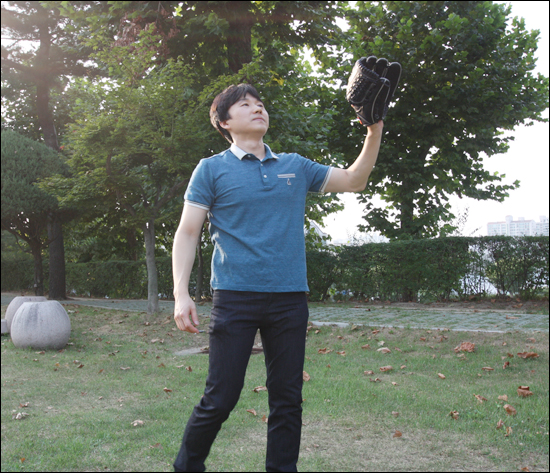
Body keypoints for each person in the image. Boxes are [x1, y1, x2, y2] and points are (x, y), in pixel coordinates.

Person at [172, 83, 383, 472]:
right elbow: (187, 232)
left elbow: (355, 180)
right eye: (245, 104)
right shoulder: (211, 169)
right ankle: (187, 467)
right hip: (235, 297)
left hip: (289, 298)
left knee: (287, 399)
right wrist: (180, 294)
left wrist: (374, 128)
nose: (257, 108)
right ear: (223, 121)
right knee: (220, 398)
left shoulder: (295, 166)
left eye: (260, 104)